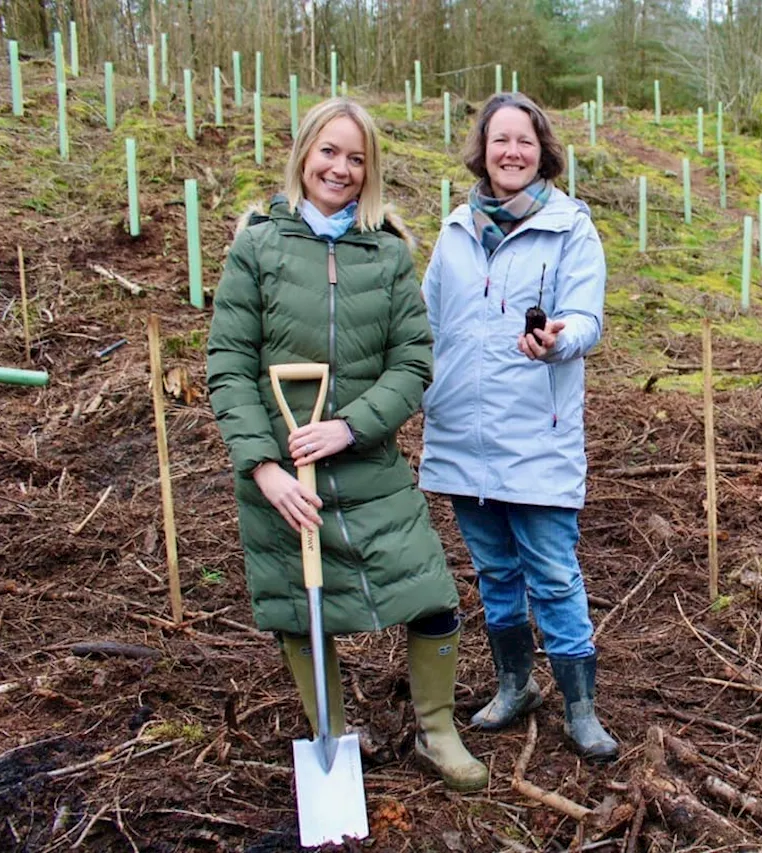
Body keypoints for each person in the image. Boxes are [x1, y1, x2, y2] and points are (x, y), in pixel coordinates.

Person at [207, 98, 487, 792]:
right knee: (301, 612)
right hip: (284, 477)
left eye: (356, 158)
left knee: (432, 596)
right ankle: (328, 730)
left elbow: (413, 363)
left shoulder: (386, 252)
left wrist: (352, 424)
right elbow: (228, 364)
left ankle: (437, 731)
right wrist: (265, 467)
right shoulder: (258, 246)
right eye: (329, 151)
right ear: (304, 154)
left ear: (371, 172)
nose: (341, 167)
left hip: (367, 465)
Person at [419, 92, 617, 763]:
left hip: (537, 436)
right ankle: (515, 683)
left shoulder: (570, 228)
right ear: (482, 149)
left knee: (554, 574)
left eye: (524, 141)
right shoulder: (453, 232)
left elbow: (586, 318)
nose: (512, 152)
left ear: (542, 151)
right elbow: (427, 328)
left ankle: (581, 706)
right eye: (500, 139)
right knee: (495, 572)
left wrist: (559, 339)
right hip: (461, 435)